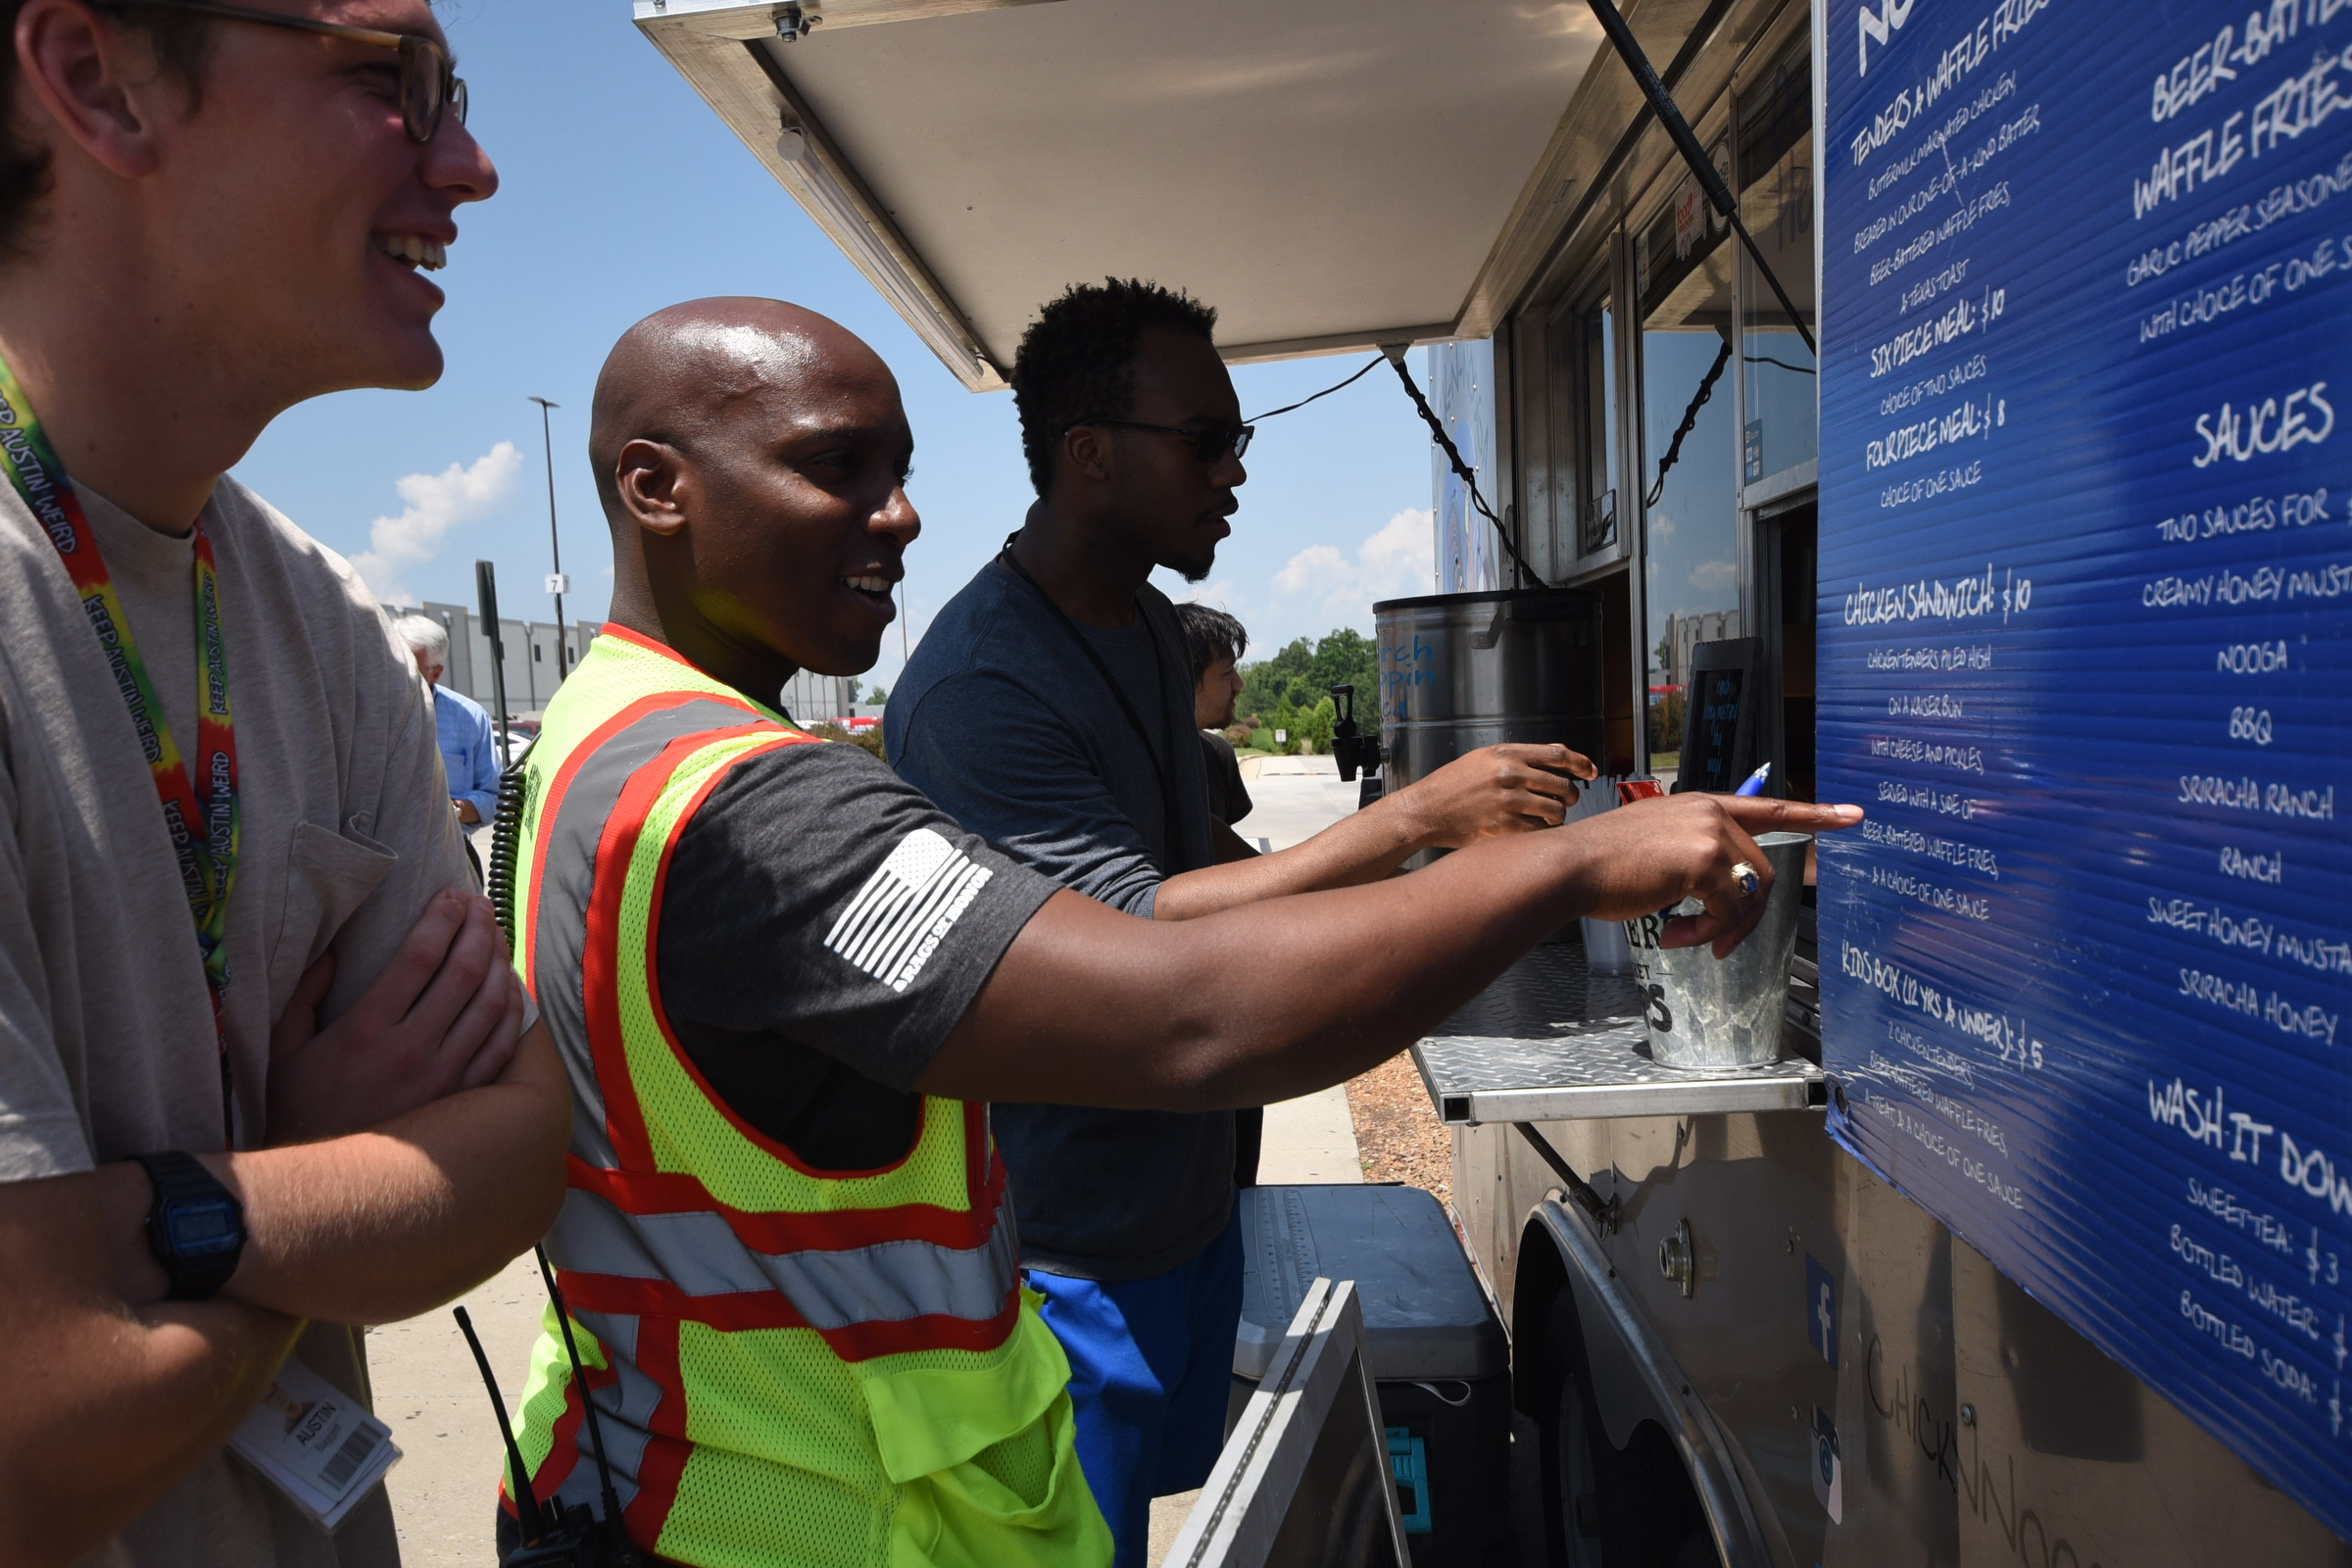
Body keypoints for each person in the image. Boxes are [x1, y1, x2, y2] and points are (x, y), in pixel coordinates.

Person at [500, 295, 1856, 1568]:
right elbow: (1177, 1006)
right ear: (656, 488)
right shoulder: (759, 804)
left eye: (899, 467)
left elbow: (1190, 879)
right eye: (836, 467)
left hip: (752, 1450)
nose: (901, 515)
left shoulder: (608, 739)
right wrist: (1555, 868)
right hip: (805, 1503)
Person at [884, 279, 1612, 1562]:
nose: (1235, 471)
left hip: (1188, 1211)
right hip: (1056, 1259)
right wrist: (1409, 826)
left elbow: (1197, 858)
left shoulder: (1153, 631)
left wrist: (1401, 905)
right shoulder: (982, 684)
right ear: (1090, 456)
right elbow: (1134, 928)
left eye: (1242, 441)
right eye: (1207, 440)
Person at [0, 4, 571, 1563]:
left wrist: (181, 1219)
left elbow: (517, 1148)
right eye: (395, 84)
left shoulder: (316, 614)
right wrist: (305, 1179)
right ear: (98, 78)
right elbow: (37, 1439)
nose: (472, 165)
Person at [393, 612, 501, 825]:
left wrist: (452, 810)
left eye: (410, 668)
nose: (397, 674)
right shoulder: (364, 712)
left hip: (448, 850)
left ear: (436, 673)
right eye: (393, 662)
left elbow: (494, 797)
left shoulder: (471, 718)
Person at [1174, 602, 1251, 835]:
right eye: (1227, 672)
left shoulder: (1218, 754)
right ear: (1186, 678)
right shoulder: (1134, 767)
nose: (1239, 684)